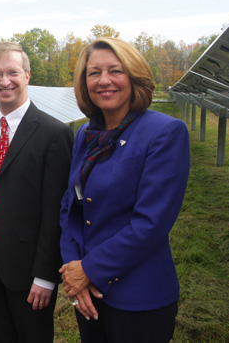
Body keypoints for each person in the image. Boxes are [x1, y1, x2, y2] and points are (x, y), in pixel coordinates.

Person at [59, 37, 190, 343]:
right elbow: (70, 206)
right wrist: (74, 273)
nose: (104, 81)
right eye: (94, 73)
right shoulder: (86, 134)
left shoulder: (164, 133)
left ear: (133, 76)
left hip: (137, 297)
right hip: (87, 291)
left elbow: (151, 223)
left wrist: (89, 269)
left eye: (115, 71)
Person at [0, 42, 73, 342]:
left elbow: (56, 211)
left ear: (27, 76)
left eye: (13, 72)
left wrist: (46, 275)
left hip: (29, 267)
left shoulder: (54, 134)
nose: (4, 81)